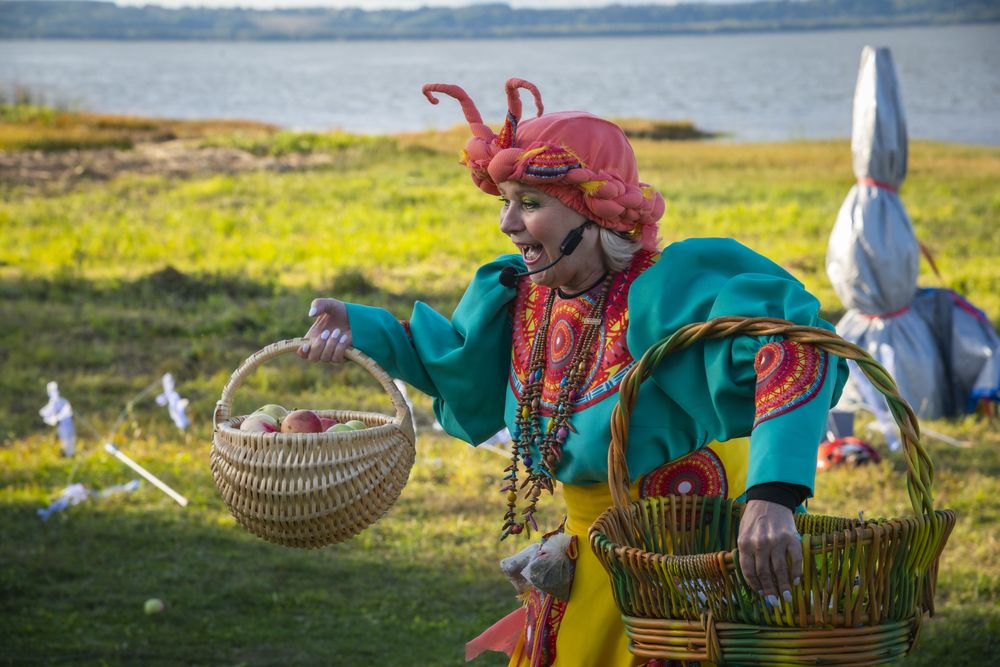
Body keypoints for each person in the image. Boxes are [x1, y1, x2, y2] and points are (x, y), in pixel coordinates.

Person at [298, 78, 848, 667]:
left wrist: (774, 497)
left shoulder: (662, 295)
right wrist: (362, 328)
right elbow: (458, 357)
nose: (508, 222)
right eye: (506, 200)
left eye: (531, 204)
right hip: (594, 561)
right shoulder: (523, 296)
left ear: (595, 215)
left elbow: (793, 351)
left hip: (693, 572)